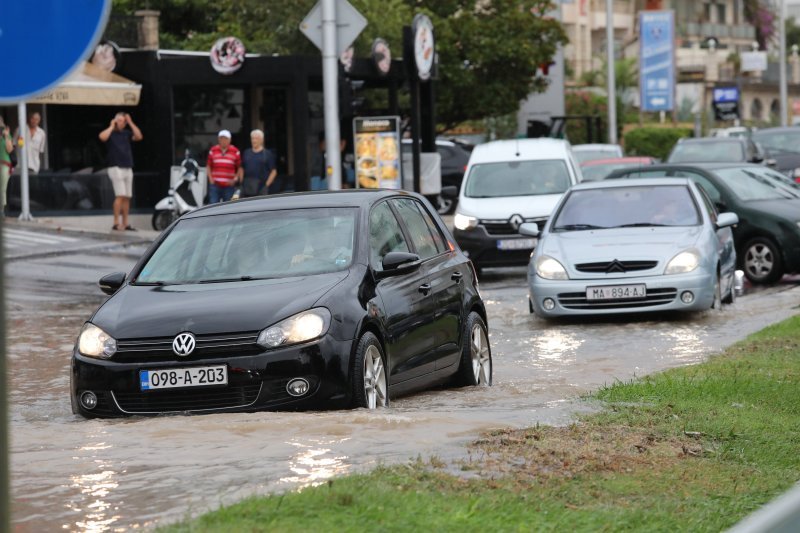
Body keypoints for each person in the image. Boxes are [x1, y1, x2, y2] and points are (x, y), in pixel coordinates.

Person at [99, 112, 143, 231]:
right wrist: (112, 126)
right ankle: (115, 222)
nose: (121, 123)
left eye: (123, 121)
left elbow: (139, 136)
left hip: (127, 166)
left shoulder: (126, 133)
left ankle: (125, 223)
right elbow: (102, 137)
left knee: (127, 196)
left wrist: (130, 122)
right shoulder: (111, 133)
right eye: (119, 120)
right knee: (120, 195)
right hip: (115, 167)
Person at [238, 129, 276, 197]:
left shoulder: (267, 154)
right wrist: (241, 183)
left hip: (261, 190)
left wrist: (266, 186)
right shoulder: (246, 153)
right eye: (252, 138)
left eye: (256, 138)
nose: (254, 140)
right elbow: (241, 168)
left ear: (261, 140)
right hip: (247, 189)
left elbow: (273, 172)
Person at [207, 129, 241, 203]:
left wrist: (235, 179)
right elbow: (208, 166)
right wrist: (210, 179)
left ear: (230, 140)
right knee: (213, 207)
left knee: (227, 208)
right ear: (218, 139)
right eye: (221, 138)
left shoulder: (235, 151)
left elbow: (239, 167)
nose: (223, 140)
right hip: (215, 185)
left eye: (225, 138)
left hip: (229, 186)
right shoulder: (213, 150)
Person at [0, 119, 14, 216]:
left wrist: (6, 136)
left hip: (4, 164)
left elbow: (9, 150)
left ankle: (1, 210)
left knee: (2, 188)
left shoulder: (6, 136)